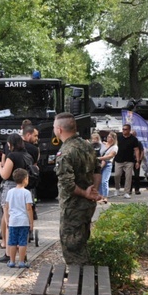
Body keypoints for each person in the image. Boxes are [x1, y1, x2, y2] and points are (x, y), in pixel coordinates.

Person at [53, 112, 101, 268]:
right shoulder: (87, 145)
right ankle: (84, 281)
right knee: (81, 243)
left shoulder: (65, 152)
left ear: (59, 129)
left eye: (54, 126)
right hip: (88, 206)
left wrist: (85, 193)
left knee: (72, 247)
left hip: (73, 206)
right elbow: (97, 170)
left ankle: (80, 285)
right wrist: (94, 191)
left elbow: (67, 183)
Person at [0, 133, 32, 263]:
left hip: (10, 187)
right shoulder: (27, 156)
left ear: (11, 144)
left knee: (9, 220)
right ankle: (22, 254)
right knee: (22, 219)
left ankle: (9, 253)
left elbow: (4, 175)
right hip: (24, 188)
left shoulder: (12, 156)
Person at [4, 168, 34, 269]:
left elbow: (7, 207)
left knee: (12, 242)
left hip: (13, 221)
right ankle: (21, 262)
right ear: (25, 179)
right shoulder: (26, 193)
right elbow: (29, 208)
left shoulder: (10, 192)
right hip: (23, 221)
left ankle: (12, 261)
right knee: (22, 242)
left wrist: (7, 219)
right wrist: (31, 222)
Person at [113, 123, 141, 199]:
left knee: (128, 176)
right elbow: (113, 146)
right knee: (117, 175)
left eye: (125, 129)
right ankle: (117, 188)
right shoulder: (119, 137)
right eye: (123, 129)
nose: (123, 131)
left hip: (129, 160)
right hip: (119, 160)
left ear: (129, 130)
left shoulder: (134, 139)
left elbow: (136, 150)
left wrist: (138, 161)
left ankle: (126, 192)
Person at [21, 124, 41, 219]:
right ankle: (32, 210)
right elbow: (35, 165)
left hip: (14, 178)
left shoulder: (10, 147)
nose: (37, 138)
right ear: (28, 135)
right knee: (31, 196)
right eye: (35, 136)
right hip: (29, 178)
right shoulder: (34, 149)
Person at [97, 132, 118, 202]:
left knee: (104, 181)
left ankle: (105, 196)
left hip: (107, 163)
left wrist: (100, 158)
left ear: (113, 139)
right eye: (108, 136)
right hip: (100, 163)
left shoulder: (115, 147)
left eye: (109, 137)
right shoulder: (104, 144)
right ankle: (100, 196)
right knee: (99, 180)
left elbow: (110, 156)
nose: (108, 138)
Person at [131, 130, 144, 195]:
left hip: (136, 160)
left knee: (136, 175)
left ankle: (137, 189)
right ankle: (129, 190)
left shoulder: (138, 142)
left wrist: (139, 161)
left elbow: (142, 151)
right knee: (128, 175)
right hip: (129, 160)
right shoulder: (129, 142)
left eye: (133, 134)